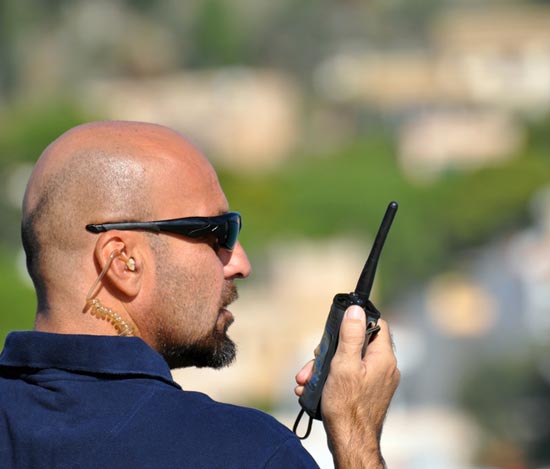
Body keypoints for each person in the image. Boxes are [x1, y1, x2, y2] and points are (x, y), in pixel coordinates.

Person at [0, 121, 400, 468]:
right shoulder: (245, 452)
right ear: (122, 261)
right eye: (218, 233)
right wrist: (356, 434)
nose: (239, 262)